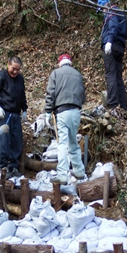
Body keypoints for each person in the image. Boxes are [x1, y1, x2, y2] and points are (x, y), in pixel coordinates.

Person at [44, 54, 86, 184]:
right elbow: (83, 96)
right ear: (70, 63)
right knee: (73, 142)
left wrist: (47, 111)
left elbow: (51, 93)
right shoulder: (78, 75)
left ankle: (62, 174)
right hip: (75, 112)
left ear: (59, 63)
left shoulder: (55, 73)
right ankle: (79, 171)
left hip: (62, 112)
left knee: (62, 143)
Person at [0, 55, 28, 178]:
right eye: (13, 68)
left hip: (16, 113)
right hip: (5, 112)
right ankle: (3, 167)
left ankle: (14, 167)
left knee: (17, 140)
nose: (15, 72)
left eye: (18, 69)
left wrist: (24, 110)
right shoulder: (0, 77)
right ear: (8, 65)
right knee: (4, 140)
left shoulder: (20, 79)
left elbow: (22, 94)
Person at [98, 0, 127, 119]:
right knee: (118, 77)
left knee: (110, 75)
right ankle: (123, 106)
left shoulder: (112, 13)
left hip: (111, 46)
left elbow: (113, 28)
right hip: (120, 47)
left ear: (105, 6)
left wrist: (109, 41)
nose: (102, 13)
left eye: (102, 9)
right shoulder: (120, 13)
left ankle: (113, 105)